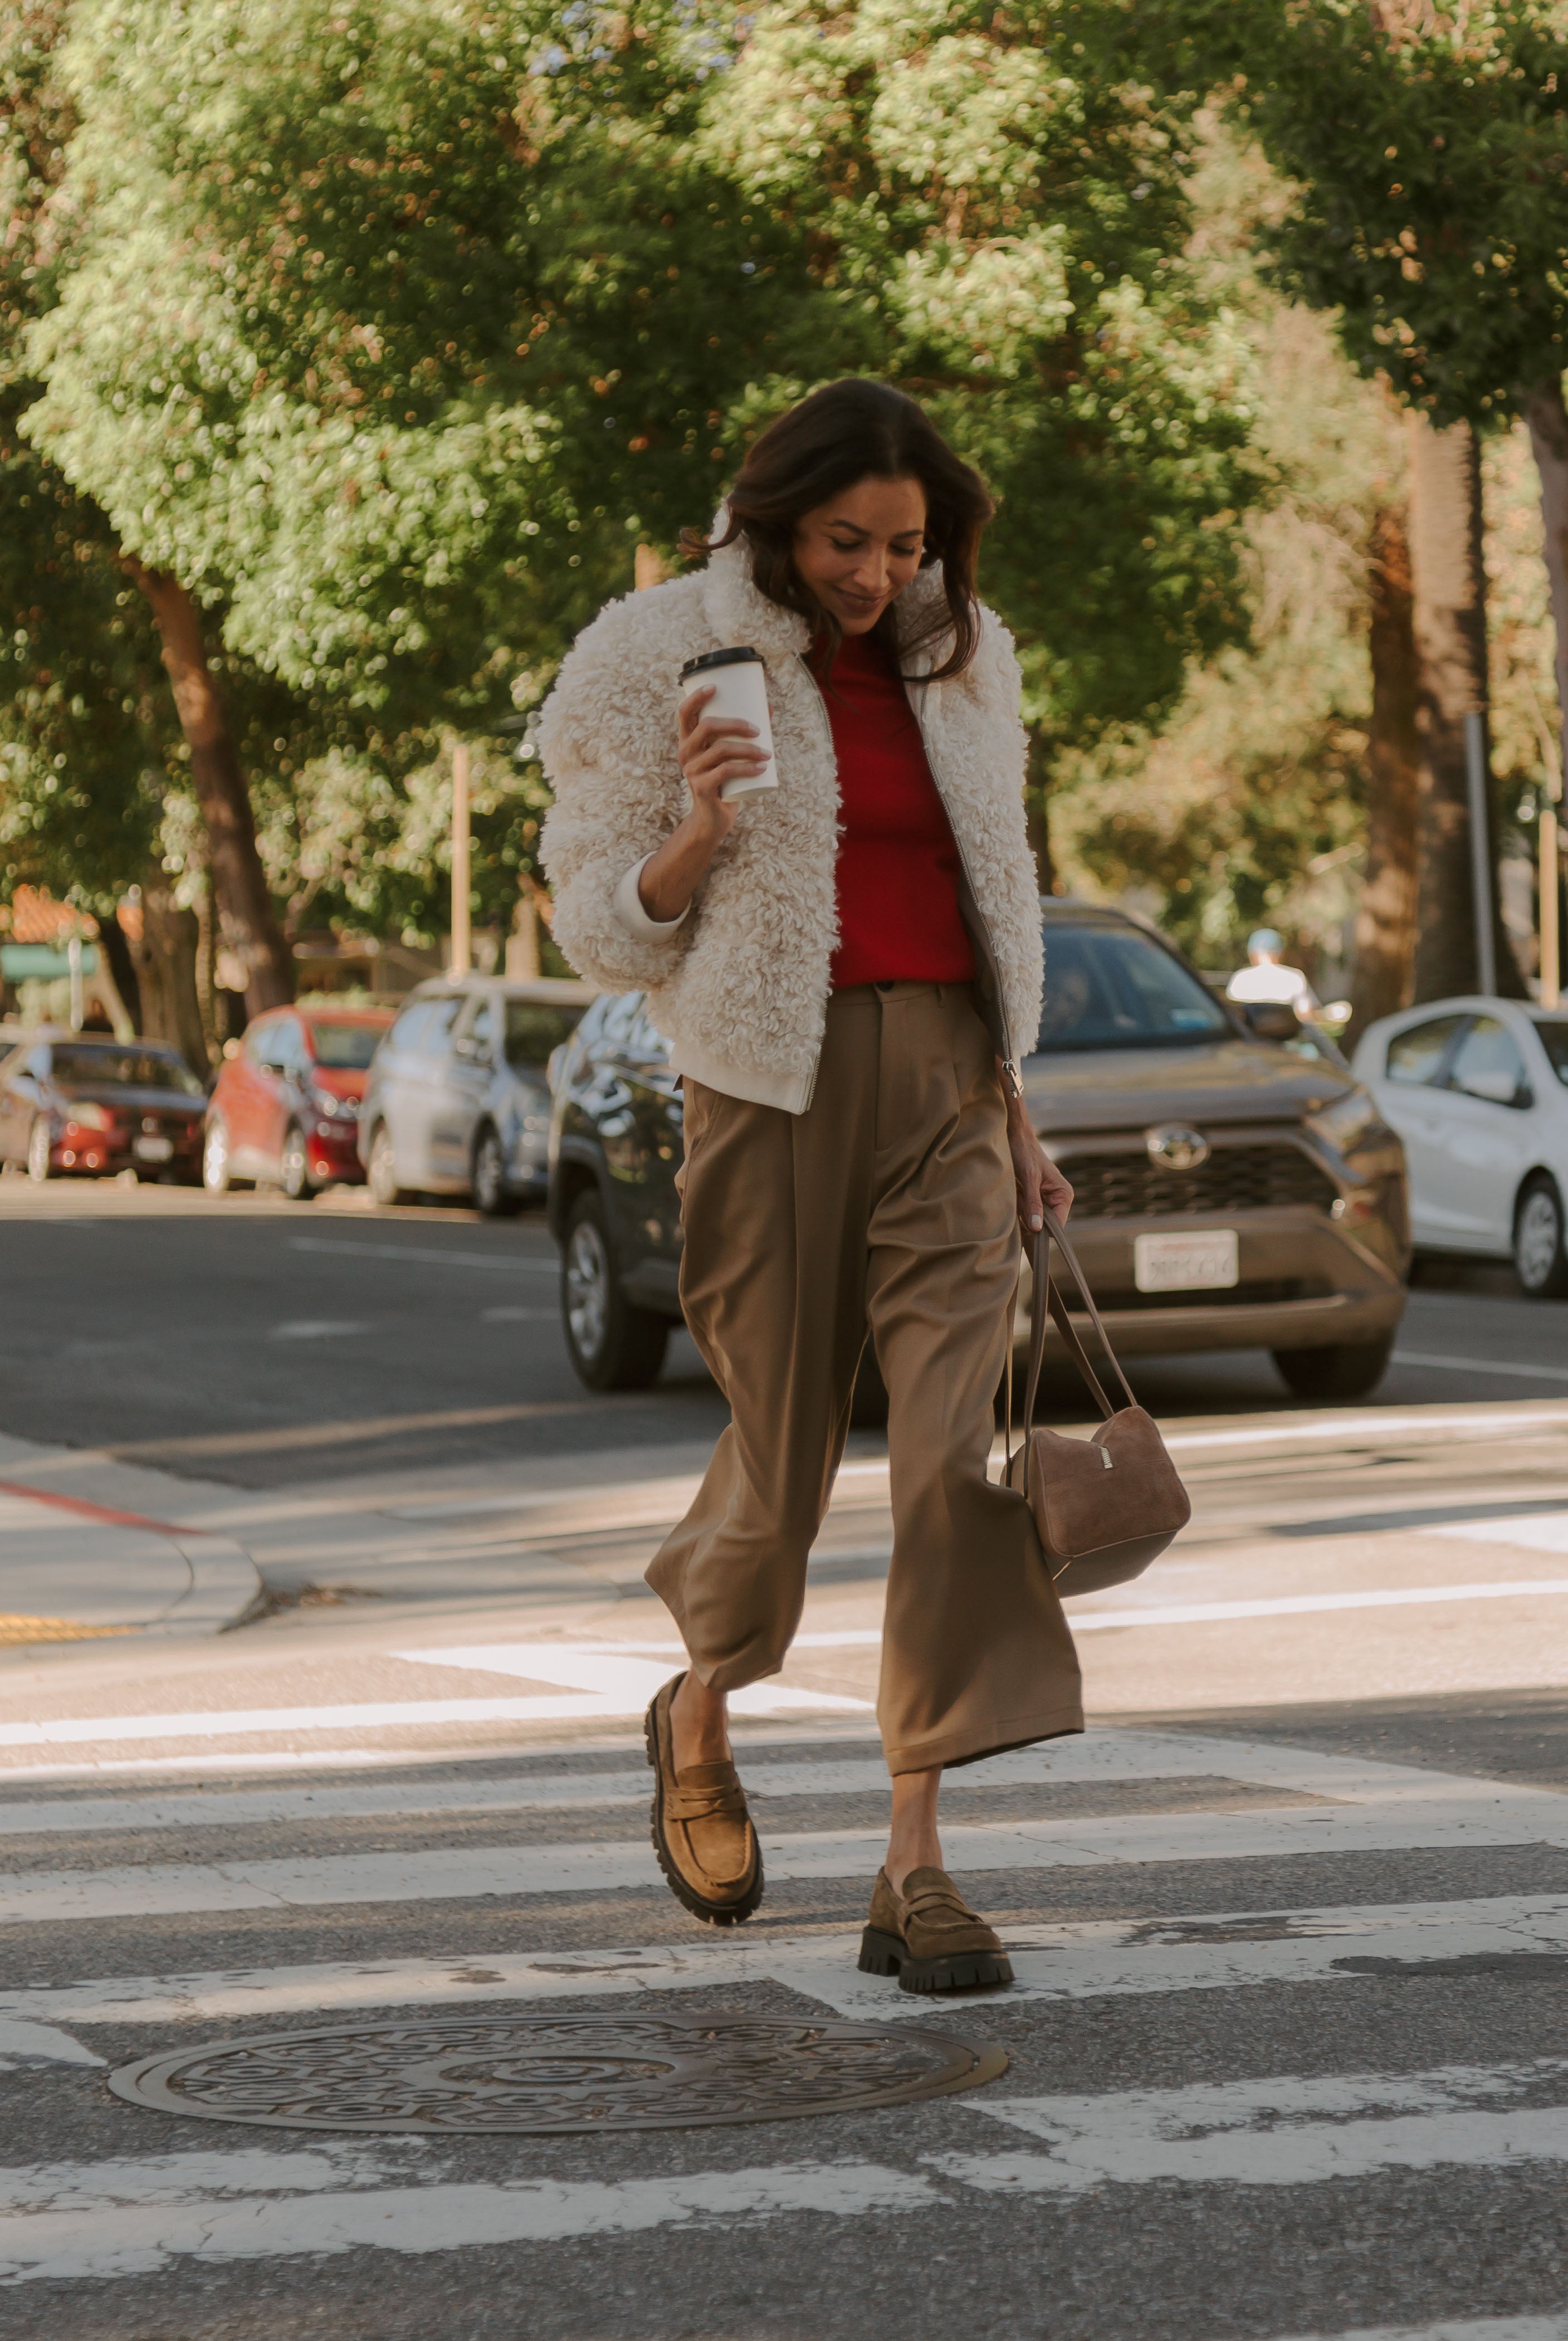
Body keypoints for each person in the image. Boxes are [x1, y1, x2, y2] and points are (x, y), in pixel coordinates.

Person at [538, 378, 1081, 1993]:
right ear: (773, 515)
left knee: (947, 1467)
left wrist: (1011, 1110)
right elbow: (596, 919)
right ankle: (699, 1699)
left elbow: (988, 892)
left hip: (947, 1089)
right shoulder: (648, 651)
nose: (872, 573)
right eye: (844, 540)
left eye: (903, 543)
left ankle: (915, 1864)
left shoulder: (961, 654)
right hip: (764, 1085)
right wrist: (699, 828)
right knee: (777, 1467)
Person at [1225, 928, 1319, 1013]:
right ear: (1281, 953)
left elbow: (1232, 1011)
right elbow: (1305, 1014)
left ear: (1252, 954)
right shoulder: (1295, 978)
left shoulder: (1241, 978)